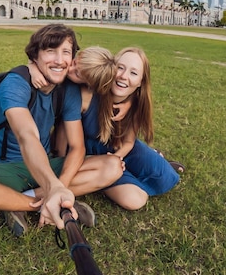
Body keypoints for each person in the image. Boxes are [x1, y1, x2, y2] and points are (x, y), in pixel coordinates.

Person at [0, 24, 123, 237]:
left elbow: (77, 147)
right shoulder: (15, 83)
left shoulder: (68, 90)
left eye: (66, 52)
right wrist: (53, 188)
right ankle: (34, 204)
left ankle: (18, 201)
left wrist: (60, 186)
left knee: (113, 166)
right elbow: (27, 136)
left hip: (46, 164)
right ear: (35, 56)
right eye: (50, 51)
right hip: (10, 166)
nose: (59, 60)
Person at [35, 46, 182, 211]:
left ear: (141, 81)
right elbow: (63, 129)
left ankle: (154, 160)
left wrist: (117, 158)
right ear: (110, 68)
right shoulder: (88, 90)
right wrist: (59, 161)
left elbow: (129, 141)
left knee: (164, 175)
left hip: (119, 149)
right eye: (120, 67)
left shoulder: (135, 102)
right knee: (135, 200)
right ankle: (110, 176)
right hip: (90, 154)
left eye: (134, 73)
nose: (124, 76)